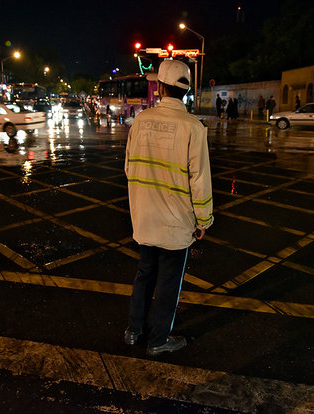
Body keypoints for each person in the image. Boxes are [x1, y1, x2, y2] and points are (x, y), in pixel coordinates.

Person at [124, 59, 214, 356]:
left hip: (145, 218)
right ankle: (158, 340)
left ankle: (134, 331)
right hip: (176, 224)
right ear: (185, 92)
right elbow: (199, 180)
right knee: (167, 284)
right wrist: (203, 221)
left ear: (160, 87)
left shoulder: (140, 121)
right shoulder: (193, 128)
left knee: (144, 273)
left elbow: (128, 167)